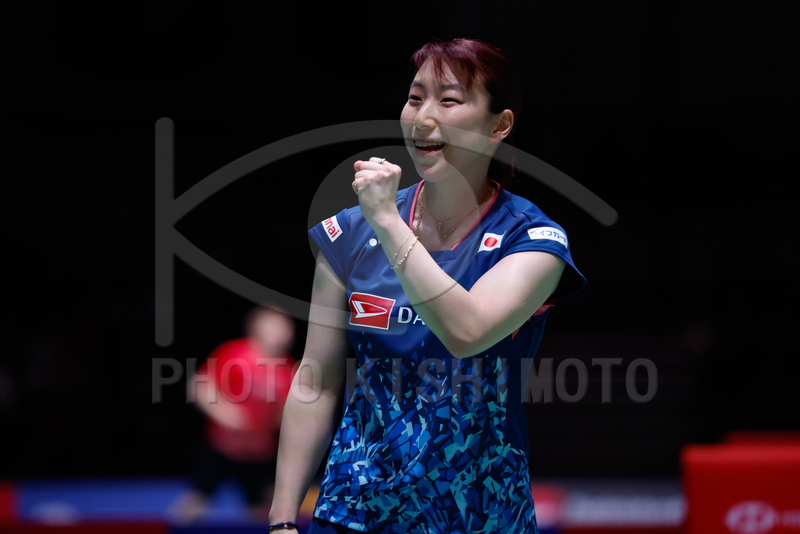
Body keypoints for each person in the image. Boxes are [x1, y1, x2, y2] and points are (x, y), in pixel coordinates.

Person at [269, 38, 587, 534]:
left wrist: (387, 221)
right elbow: (315, 383)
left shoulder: (531, 240)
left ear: (499, 125)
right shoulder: (349, 233)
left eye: (449, 100)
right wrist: (282, 521)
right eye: (415, 98)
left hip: (480, 515)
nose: (423, 116)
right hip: (354, 513)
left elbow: (467, 331)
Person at [171, 306, 296, 523]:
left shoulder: (289, 367)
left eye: (286, 326)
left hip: (260, 455)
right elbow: (199, 386)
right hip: (223, 449)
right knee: (193, 504)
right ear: (254, 328)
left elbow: (287, 411)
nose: (283, 331)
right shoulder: (234, 353)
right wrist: (223, 412)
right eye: (275, 325)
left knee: (265, 511)